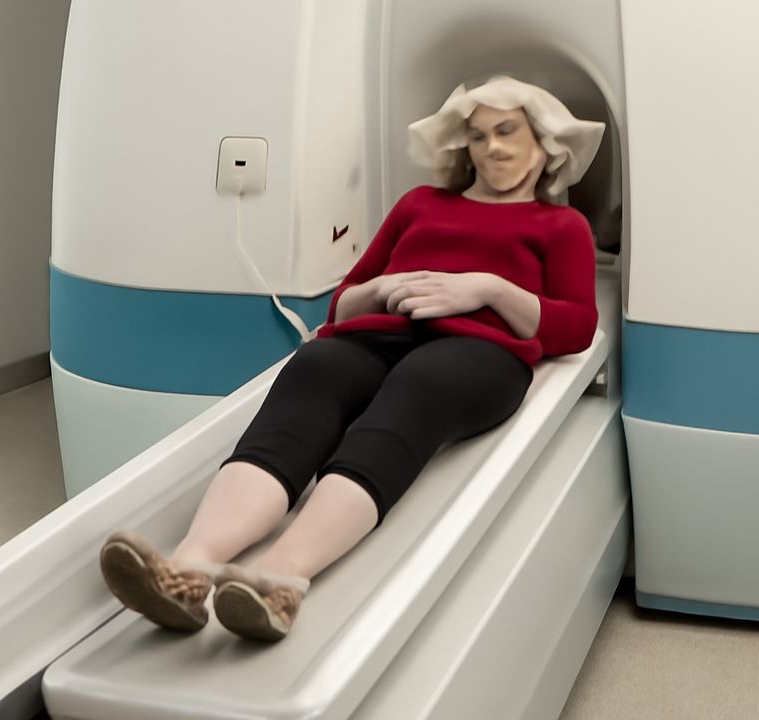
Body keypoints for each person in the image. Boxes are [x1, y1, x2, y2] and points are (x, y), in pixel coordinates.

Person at [99, 75, 605, 642]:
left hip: (478, 352)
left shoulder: (561, 226)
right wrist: (384, 288)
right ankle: (188, 570)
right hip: (377, 334)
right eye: (479, 135)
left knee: (419, 385)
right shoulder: (420, 204)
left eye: (507, 131)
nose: (492, 147)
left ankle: (280, 579)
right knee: (314, 368)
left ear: (545, 141)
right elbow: (343, 301)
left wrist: (485, 288)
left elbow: (577, 328)